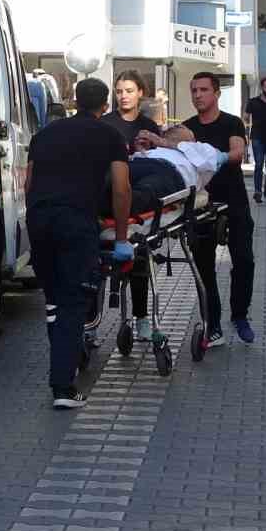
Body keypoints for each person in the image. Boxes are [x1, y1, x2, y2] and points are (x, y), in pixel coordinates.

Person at [26, 78, 132, 410]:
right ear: (105, 105)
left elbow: (28, 183)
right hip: (75, 222)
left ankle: (68, 362)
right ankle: (63, 387)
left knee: (55, 301)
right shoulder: (111, 136)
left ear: (74, 100)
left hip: (40, 219)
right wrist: (122, 238)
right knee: (74, 302)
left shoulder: (43, 134)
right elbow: (121, 189)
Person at [183, 72, 255, 347]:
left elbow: (237, 152)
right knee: (204, 268)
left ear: (216, 93)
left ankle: (240, 315)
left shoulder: (231, 123)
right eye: (193, 90)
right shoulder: (187, 128)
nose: (197, 95)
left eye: (203, 89)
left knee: (244, 260)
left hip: (233, 202)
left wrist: (221, 157)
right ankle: (213, 325)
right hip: (202, 206)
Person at [101, 71, 160, 340]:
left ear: (140, 93)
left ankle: (142, 317)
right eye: (119, 91)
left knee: (139, 261)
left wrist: (145, 149)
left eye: (129, 90)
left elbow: (157, 163)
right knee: (95, 264)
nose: (123, 96)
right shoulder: (104, 124)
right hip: (107, 195)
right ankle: (90, 325)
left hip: (137, 199)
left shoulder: (149, 126)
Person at [122, 125, 225, 214]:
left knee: (141, 195)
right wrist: (140, 150)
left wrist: (163, 142)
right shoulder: (157, 149)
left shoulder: (203, 148)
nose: (174, 126)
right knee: (110, 177)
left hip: (170, 173)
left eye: (179, 126)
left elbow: (217, 160)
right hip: (138, 163)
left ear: (192, 138)